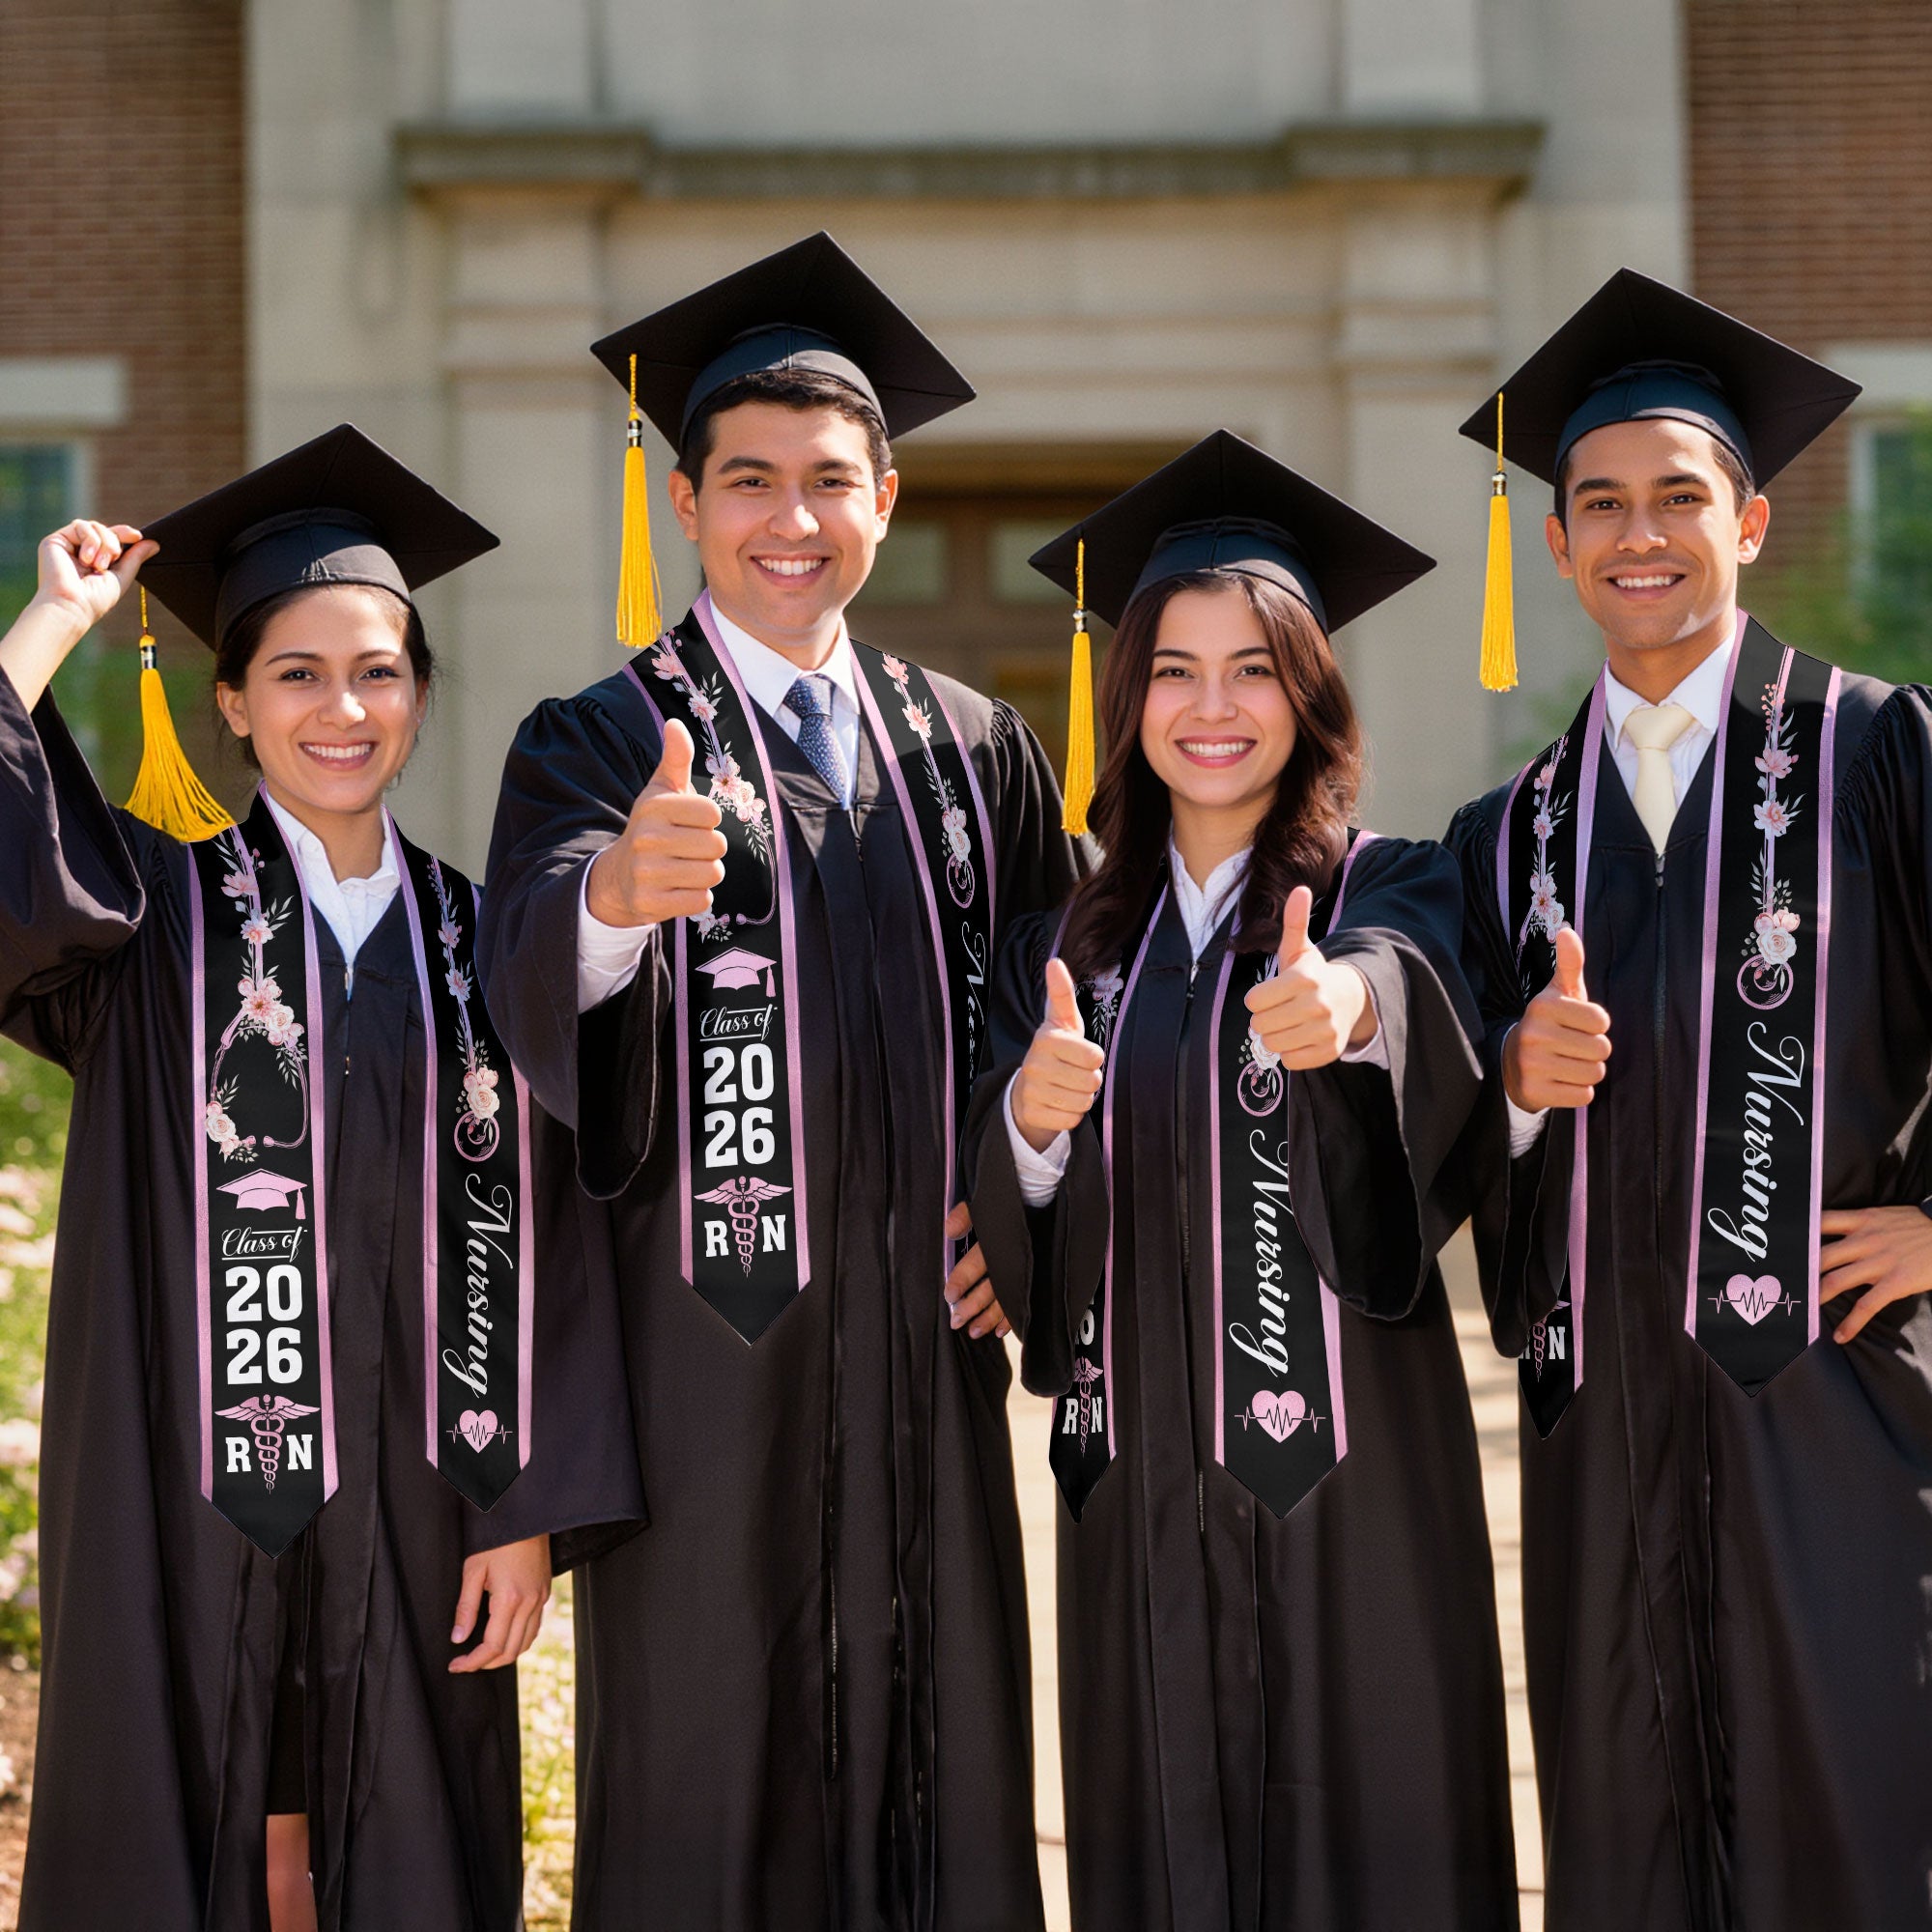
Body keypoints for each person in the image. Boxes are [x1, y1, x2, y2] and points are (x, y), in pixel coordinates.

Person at [479, 232, 1083, 1931]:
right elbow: (518, 969)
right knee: (708, 1776)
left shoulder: (975, 747)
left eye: (831, 481)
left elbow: (1075, 1012)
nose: (790, 519)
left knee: (943, 1760)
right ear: (686, 504)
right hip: (705, 1371)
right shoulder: (598, 738)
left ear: (886, 497)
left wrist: (1027, 1208)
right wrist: (610, 899)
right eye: (749, 481)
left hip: (923, 1359)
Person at [0, 425, 642, 1932]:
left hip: (427, 1503)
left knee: (406, 1838)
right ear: (231, 701)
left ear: (419, 694)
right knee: (193, 1811)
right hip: (186, 1485)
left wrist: (527, 1505)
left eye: (378, 671)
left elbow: (561, 1235)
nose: (340, 708)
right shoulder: (148, 923)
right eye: (295, 673)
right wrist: (51, 624)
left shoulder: (492, 942)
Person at [961, 431, 1518, 1930]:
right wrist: (1028, 1121)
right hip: (1137, 1481)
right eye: (1175, 670)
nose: (1214, 708)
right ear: (1127, 696)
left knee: (1379, 1837)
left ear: (1311, 692)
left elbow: (1417, 990)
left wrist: (1351, 1011)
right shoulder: (1065, 946)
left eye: (1256, 668)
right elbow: (1021, 1242)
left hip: (1358, 1482)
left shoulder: (1386, 885)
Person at [1446, 270, 1932, 1931]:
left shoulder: (1878, 755)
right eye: (1599, 504)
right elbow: (1436, 1143)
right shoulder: (1506, 838)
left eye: (1678, 497)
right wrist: (1509, 1089)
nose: (1637, 534)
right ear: (1561, 543)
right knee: (1625, 1837)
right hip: (1603, 1441)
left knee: (1855, 1819)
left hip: (1838, 1413)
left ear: (1752, 520)